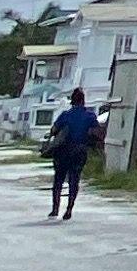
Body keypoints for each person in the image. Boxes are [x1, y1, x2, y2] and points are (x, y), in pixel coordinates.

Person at [46, 87, 103, 220]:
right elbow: (96, 133)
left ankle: (55, 209)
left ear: (72, 101)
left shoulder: (65, 115)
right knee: (74, 180)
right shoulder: (90, 116)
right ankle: (69, 210)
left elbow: (54, 130)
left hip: (63, 152)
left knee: (58, 181)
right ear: (83, 101)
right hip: (79, 151)